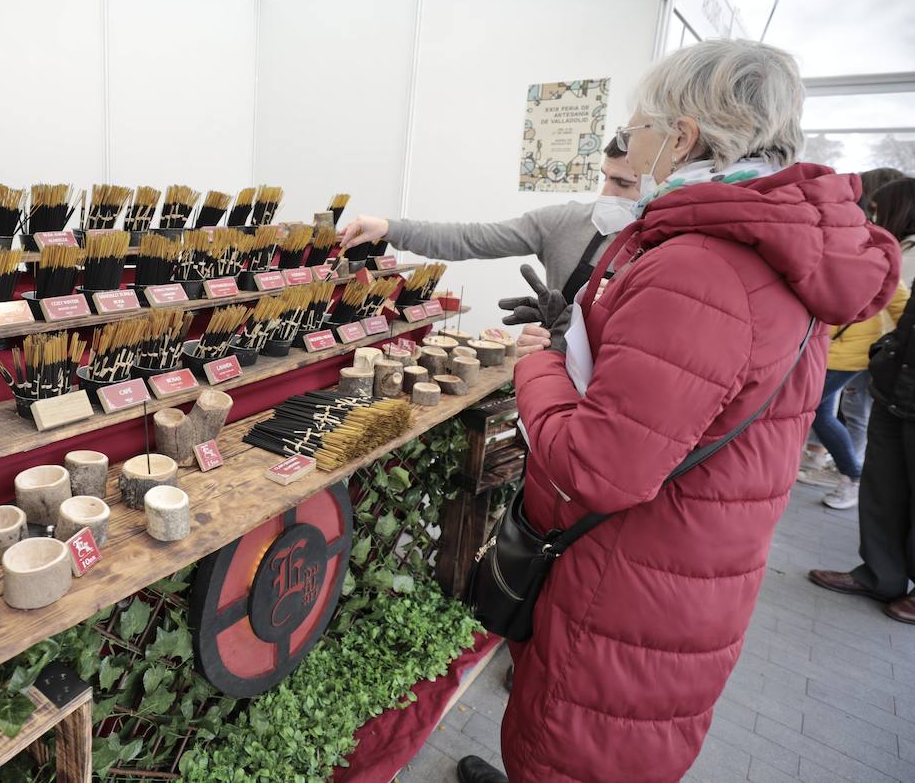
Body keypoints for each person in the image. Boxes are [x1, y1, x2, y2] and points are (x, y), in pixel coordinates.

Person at [455, 40, 899, 783]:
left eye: (634, 133)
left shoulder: (699, 261)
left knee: (575, 742)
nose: (625, 152)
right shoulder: (778, 246)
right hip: (687, 561)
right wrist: (582, 338)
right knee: (588, 733)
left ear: (682, 136)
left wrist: (537, 357)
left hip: (631, 577)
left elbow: (599, 467)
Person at [338, 139, 641, 304]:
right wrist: (390, 228)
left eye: (623, 184)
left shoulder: (675, 250)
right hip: (555, 385)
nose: (606, 194)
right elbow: (472, 239)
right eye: (604, 177)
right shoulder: (565, 223)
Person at [809, 176, 915, 624]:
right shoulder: (894, 247)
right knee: (883, 487)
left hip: (900, 381)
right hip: (896, 383)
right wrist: (886, 357)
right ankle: (879, 575)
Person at [805, 176, 912, 509]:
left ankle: (852, 474)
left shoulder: (881, 251)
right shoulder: (866, 246)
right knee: (817, 411)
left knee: (816, 412)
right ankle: (843, 471)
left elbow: (900, 301)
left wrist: (894, 347)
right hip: (836, 348)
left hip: (848, 353)